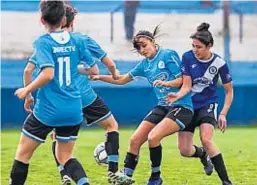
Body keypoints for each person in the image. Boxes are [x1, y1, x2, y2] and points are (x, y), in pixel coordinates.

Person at [23, 4, 133, 185]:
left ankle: (64, 175)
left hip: (59, 100)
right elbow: (107, 64)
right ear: (69, 22)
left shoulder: (46, 42)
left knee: (57, 137)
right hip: (85, 95)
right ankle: (113, 173)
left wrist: (28, 93)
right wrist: (114, 75)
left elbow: (29, 71)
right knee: (111, 125)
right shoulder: (82, 39)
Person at [90, 26, 194, 185]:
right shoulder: (144, 65)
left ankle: (155, 178)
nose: (142, 50)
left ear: (152, 41)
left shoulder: (167, 55)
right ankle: (125, 176)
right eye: (138, 48)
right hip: (163, 106)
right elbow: (122, 80)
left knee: (153, 137)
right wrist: (99, 77)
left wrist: (166, 83)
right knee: (135, 139)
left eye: (144, 45)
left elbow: (183, 80)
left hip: (181, 106)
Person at [9, 1, 94, 185]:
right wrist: (73, 68)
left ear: (42, 20)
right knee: (65, 156)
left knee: (23, 154)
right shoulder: (77, 40)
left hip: (48, 111)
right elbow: (92, 70)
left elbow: (48, 74)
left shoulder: (43, 42)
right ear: (64, 19)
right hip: (73, 109)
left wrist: (27, 90)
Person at [166, 22, 233, 185]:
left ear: (209, 46)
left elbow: (229, 91)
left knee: (206, 139)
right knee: (184, 150)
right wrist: (177, 95)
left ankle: (226, 181)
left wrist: (223, 113)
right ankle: (203, 155)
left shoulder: (220, 64)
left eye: (199, 47)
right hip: (188, 106)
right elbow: (187, 85)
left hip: (207, 105)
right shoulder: (187, 57)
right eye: (193, 46)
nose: (195, 50)